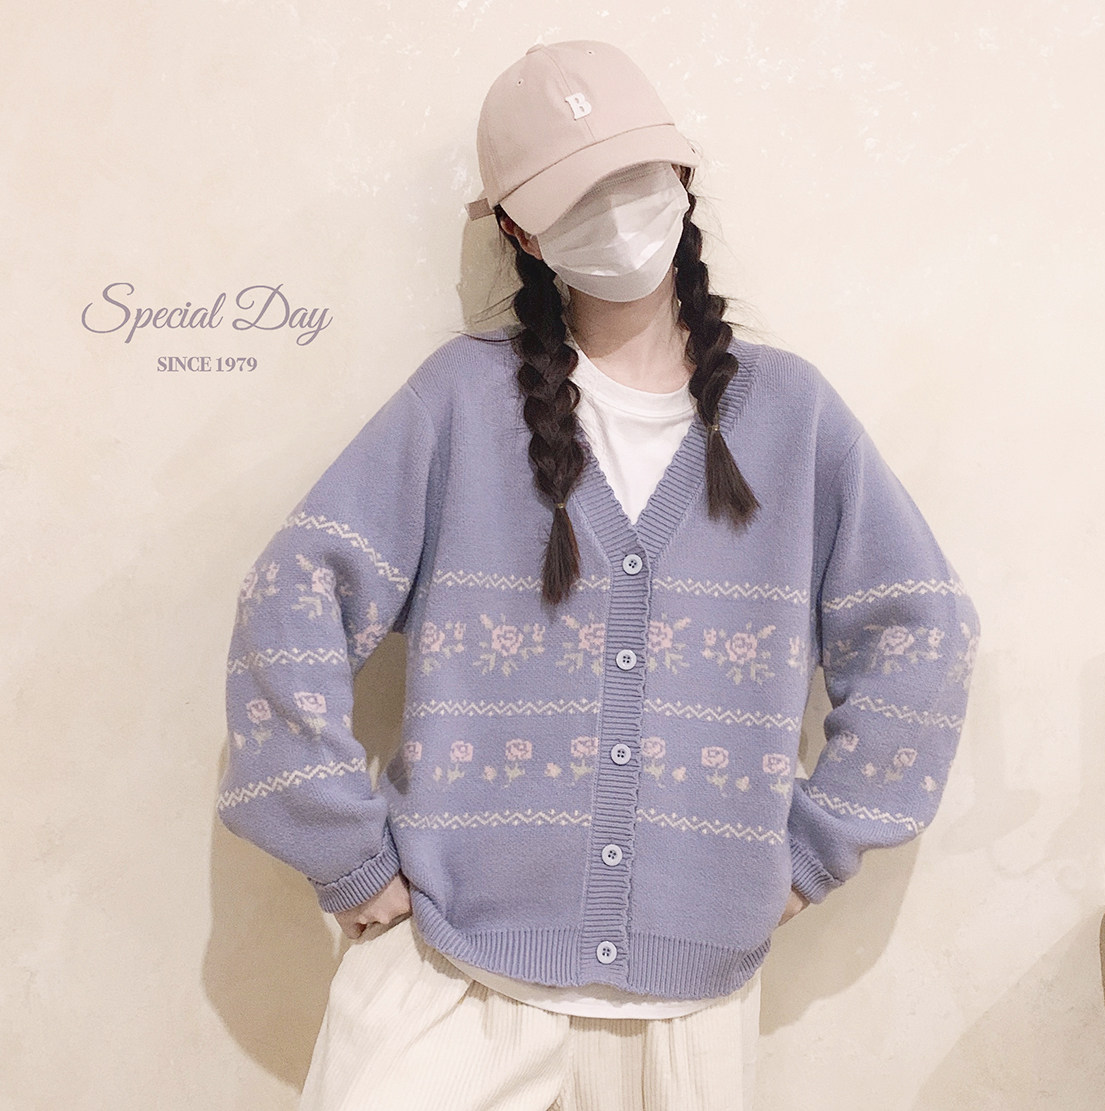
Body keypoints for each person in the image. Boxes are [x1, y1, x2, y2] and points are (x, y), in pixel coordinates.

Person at [216, 39, 980, 1111]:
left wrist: (816, 850)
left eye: (633, 178)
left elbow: (922, 631)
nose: (615, 216)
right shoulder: (458, 402)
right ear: (520, 232)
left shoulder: (792, 417)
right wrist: (342, 849)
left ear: (680, 178)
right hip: (450, 970)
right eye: (575, 197)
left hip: (689, 1008)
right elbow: (290, 596)